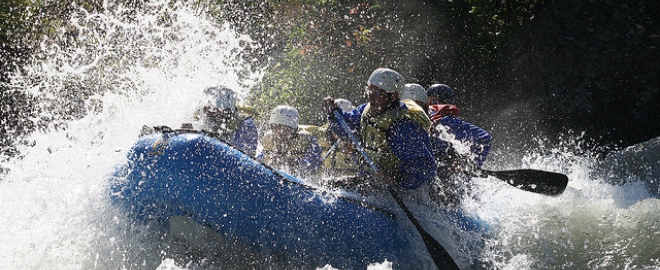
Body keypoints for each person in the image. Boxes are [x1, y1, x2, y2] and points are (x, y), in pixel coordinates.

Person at [322, 68, 436, 190]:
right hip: (371, 184)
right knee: (329, 185)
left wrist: (395, 178)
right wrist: (333, 114)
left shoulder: (401, 127)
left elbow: (424, 169)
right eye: (370, 90)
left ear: (393, 96)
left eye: (377, 93)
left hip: (402, 192)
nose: (371, 96)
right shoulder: (365, 110)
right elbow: (348, 131)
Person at [426, 83, 492, 206]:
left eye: (433, 101)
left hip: (453, 181)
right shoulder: (422, 120)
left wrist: (472, 165)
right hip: (437, 176)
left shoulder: (447, 122)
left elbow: (485, 138)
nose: (430, 106)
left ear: (444, 102)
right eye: (428, 101)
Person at [258, 105, 323, 177]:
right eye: (275, 127)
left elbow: (312, 165)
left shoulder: (307, 140)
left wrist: (288, 163)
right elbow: (259, 160)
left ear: (294, 129)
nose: (279, 132)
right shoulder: (269, 139)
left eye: (285, 128)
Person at [199, 86, 258, 157]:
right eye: (205, 109)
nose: (208, 113)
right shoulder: (199, 118)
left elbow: (246, 160)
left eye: (213, 110)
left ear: (228, 111)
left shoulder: (245, 126)